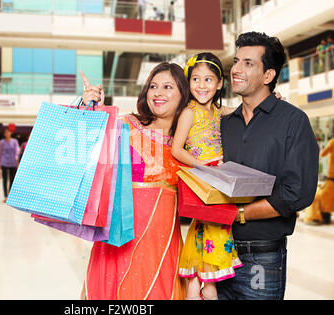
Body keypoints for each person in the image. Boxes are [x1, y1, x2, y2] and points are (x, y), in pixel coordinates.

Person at [217, 31, 319, 300]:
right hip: (215, 253)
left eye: (248, 63)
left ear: (268, 76)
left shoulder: (293, 121)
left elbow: (297, 193)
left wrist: (241, 213)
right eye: (236, 61)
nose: (235, 69)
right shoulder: (224, 124)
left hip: (262, 256)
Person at [80, 63, 188, 300]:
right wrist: (87, 105)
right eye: (153, 86)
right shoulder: (127, 125)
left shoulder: (189, 142)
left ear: (183, 94)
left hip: (162, 246)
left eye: (168, 87)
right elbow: (88, 145)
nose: (158, 93)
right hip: (118, 241)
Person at [171, 53, 242, 300]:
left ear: (220, 83)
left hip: (217, 177)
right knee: (212, 225)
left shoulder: (217, 110)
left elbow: (239, 109)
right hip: (202, 177)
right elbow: (176, 149)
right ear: (188, 82)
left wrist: (270, 99)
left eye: (209, 80)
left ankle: (197, 284)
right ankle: (204, 287)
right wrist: (200, 165)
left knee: (209, 226)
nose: (202, 85)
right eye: (196, 79)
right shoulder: (189, 112)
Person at [304, 136, 334, 225]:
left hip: (331, 181)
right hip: (330, 182)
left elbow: (322, 154)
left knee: (315, 196)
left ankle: (312, 217)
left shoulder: (332, 142)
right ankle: (325, 213)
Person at [0, 127, 20, 202]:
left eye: (8, 132)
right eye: (6, 132)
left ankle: (10, 195)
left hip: (12, 162)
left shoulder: (14, 141)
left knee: (12, 179)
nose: (7, 134)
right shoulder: (1, 142)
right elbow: (0, 152)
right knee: (5, 179)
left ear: (11, 133)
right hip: (4, 162)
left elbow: (17, 150)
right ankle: (5, 195)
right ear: (4, 134)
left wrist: (17, 160)